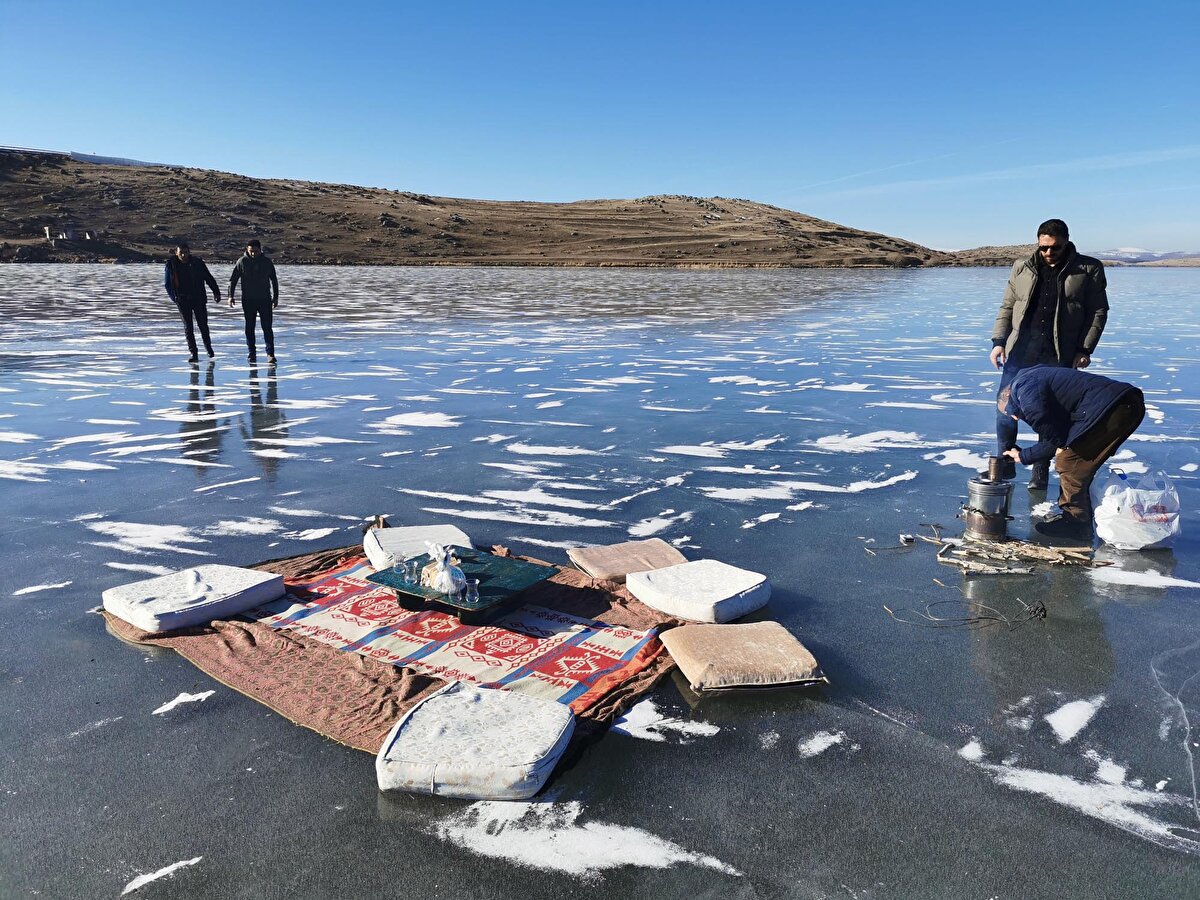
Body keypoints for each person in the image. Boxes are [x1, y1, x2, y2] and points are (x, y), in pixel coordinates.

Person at [989, 219, 1108, 490]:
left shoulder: (1088, 269)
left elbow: (1098, 312)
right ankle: (1004, 464)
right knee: (1004, 408)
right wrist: (999, 341)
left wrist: (1084, 349)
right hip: (1020, 351)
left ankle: (1039, 470)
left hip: (1059, 354)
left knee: (1047, 415)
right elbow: (1007, 306)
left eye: (1055, 247)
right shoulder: (1022, 267)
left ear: (1066, 242)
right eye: (1043, 248)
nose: (1049, 253)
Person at [999, 366, 1144, 542]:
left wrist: (1023, 456)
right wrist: (1026, 455)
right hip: (1124, 402)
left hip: (1111, 408)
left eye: (1010, 412)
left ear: (1008, 395)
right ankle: (1078, 516)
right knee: (1076, 459)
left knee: (1069, 461)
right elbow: (1058, 435)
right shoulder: (1030, 380)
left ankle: (1076, 523)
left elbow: (1054, 439)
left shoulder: (1024, 390)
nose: (1015, 418)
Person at [163, 241, 221, 361]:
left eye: (186, 252)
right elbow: (168, 284)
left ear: (189, 252)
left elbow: (208, 278)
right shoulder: (171, 265)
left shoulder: (197, 263)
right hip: (182, 300)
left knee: (203, 325)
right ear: (176, 253)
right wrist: (174, 298)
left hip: (198, 298)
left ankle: (208, 348)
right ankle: (193, 353)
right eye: (181, 253)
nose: (183, 255)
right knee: (188, 327)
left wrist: (216, 292)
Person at [228, 239, 279, 364]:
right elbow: (233, 280)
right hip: (248, 300)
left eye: (255, 251)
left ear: (260, 250)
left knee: (267, 327)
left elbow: (274, 280)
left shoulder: (266, 262)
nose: (253, 254)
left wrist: (275, 297)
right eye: (251, 251)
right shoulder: (242, 261)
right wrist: (230, 296)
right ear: (247, 249)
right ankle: (252, 353)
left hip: (264, 299)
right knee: (249, 327)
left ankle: (270, 354)